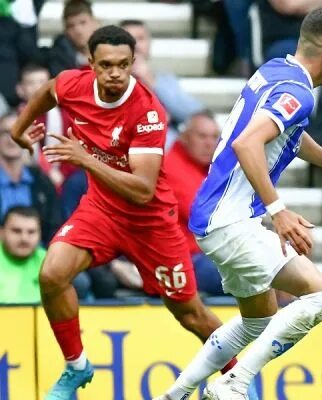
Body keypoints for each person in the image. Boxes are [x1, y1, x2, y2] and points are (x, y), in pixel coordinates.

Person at [10, 26, 245, 400]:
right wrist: (20, 130)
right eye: (106, 65)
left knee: (190, 314)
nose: (115, 73)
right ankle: (76, 367)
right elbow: (48, 90)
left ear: (133, 63)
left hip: (150, 223)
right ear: (91, 64)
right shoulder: (75, 85)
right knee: (52, 274)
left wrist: (85, 159)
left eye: (123, 64)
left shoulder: (148, 111)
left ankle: (238, 379)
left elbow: (142, 189)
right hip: (101, 211)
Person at [156, 8, 322, 400]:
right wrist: (279, 211)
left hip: (216, 217)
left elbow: (287, 132)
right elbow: (247, 143)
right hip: (232, 221)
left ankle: (176, 394)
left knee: (256, 322)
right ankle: (234, 383)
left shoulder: (276, 70)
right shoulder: (300, 94)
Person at [163, 111, 224, 295]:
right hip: (187, 260)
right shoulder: (172, 168)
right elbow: (209, 218)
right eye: (202, 136)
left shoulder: (210, 168)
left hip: (208, 254)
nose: (209, 143)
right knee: (250, 270)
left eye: (214, 137)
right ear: (185, 137)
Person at [120, 20, 205, 148]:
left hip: (165, 150)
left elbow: (197, 115)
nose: (135, 45)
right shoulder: (105, 79)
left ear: (149, 45)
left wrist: (151, 80)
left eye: (140, 39)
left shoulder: (164, 80)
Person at [0, 113, 62, 242]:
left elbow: (55, 228)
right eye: (6, 132)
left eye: (19, 131)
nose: (12, 138)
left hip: (39, 257)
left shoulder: (43, 182)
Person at [0, 206, 46, 304]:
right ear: (1, 233)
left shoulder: (49, 261)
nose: (24, 238)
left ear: (40, 234)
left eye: (31, 232)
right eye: (16, 231)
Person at [48, 0, 98, 76]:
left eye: (83, 22)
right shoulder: (57, 60)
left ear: (95, 23)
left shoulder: (111, 53)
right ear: (65, 31)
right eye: (71, 26)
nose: (78, 30)